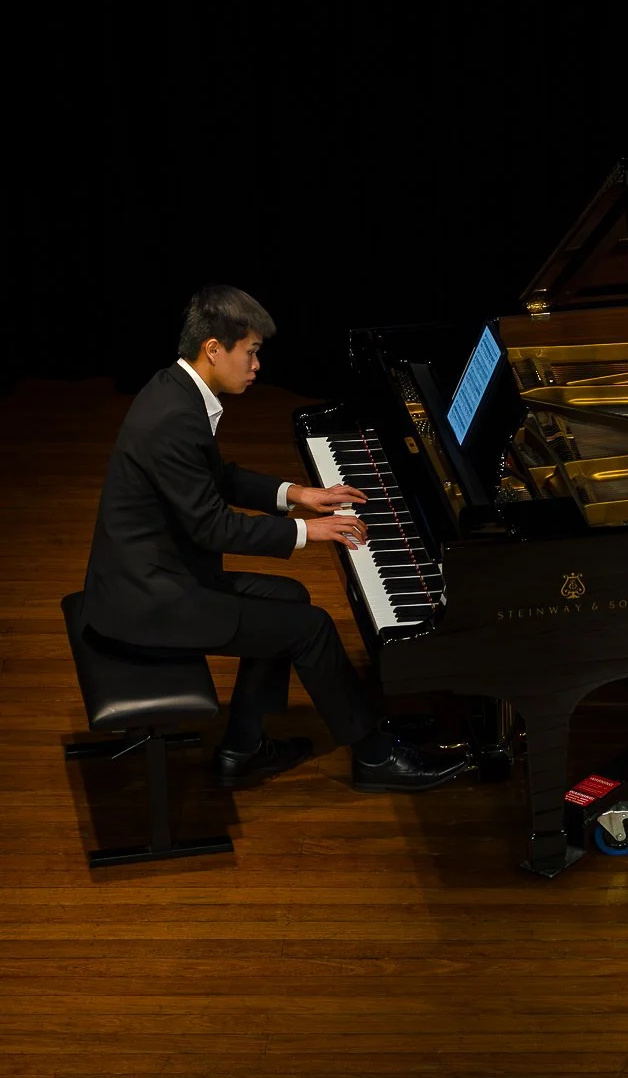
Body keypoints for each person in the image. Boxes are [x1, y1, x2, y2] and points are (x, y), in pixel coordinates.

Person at [81, 284, 469, 792]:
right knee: (308, 628)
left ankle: (241, 748)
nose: (258, 366)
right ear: (214, 349)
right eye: (252, 352)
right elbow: (212, 525)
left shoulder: (172, 390)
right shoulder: (174, 419)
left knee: (289, 598)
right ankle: (374, 759)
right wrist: (310, 531)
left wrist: (299, 494)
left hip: (153, 576)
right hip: (147, 600)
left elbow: (217, 477)